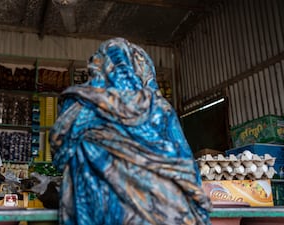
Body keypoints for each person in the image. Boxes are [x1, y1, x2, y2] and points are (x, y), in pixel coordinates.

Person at [48, 38, 212, 224]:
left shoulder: (78, 106)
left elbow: (59, 155)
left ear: (99, 65)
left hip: (95, 213)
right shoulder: (157, 108)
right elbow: (187, 170)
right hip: (165, 214)